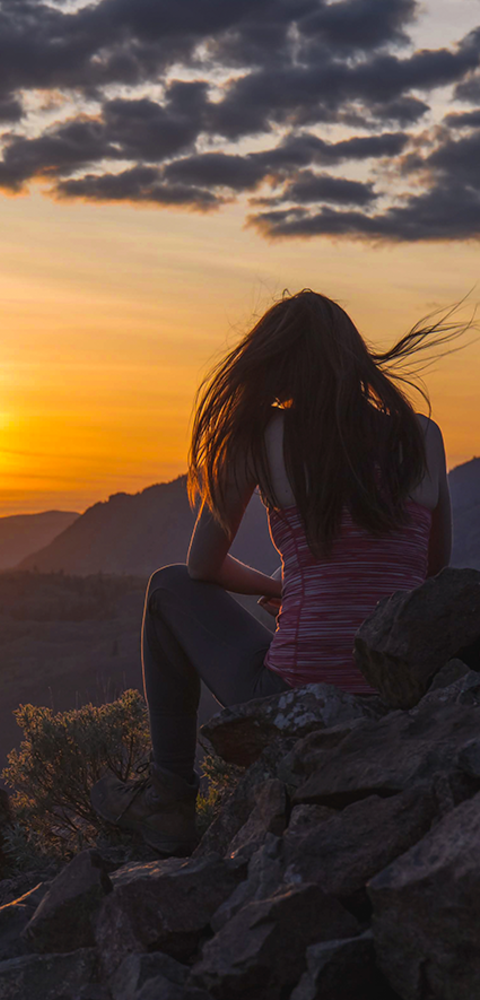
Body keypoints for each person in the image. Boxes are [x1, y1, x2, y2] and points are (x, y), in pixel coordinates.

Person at [90, 289, 461, 857]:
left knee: (167, 587)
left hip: (295, 698)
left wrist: (280, 588)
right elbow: (433, 577)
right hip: (399, 697)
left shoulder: (260, 440)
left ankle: (169, 800)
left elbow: (201, 566)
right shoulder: (422, 437)